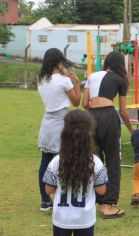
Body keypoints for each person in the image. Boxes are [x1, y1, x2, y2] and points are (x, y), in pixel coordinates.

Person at [82, 51, 134, 218]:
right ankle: (108, 205)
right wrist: (132, 131)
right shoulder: (121, 80)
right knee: (113, 161)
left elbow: (84, 103)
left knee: (94, 161)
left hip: (91, 117)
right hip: (109, 117)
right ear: (120, 65)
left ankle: (94, 200)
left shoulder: (92, 75)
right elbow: (124, 112)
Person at [42, 110, 108, 236]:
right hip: (85, 219)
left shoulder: (56, 161)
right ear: (89, 134)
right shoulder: (96, 162)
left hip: (61, 219)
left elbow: (48, 190)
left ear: (64, 133)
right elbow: (102, 190)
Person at [37, 48, 81, 211]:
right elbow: (76, 101)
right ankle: (64, 197)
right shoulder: (63, 81)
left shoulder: (40, 79)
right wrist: (76, 83)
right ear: (59, 62)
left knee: (45, 161)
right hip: (62, 121)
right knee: (64, 161)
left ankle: (45, 200)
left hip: (47, 120)